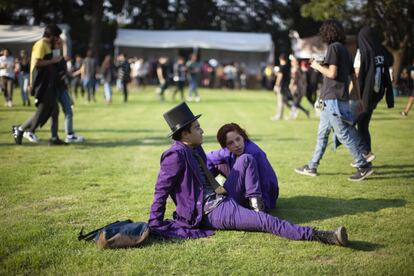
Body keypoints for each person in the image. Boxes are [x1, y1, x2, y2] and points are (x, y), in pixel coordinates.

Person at [148, 102, 348, 246]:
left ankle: (255, 205)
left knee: (246, 159)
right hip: (211, 211)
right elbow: (161, 190)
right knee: (267, 222)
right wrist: (155, 223)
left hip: (221, 196)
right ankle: (325, 236)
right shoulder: (174, 156)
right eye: (197, 128)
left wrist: (221, 183)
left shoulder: (195, 147)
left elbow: (207, 173)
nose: (202, 131)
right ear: (184, 134)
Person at [294, 19, 373, 181]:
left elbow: (332, 74)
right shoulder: (344, 50)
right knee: (322, 135)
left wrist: (316, 66)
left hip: (332, 100)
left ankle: (363, 165)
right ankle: (312, 166)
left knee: (343, 134)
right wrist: (358, 99)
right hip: (335, 99)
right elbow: (353, 77)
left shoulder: (333, 48)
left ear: (327, 33)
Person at [12, 24, 65, 145]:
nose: (58, 38)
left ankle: (54, 137)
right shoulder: (41, 44)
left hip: (49, 82)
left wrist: (58, 47)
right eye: (56, 36)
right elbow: (37, 63)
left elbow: (57, 60)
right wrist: (52, 60)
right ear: (50, 35)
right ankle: (21, 130)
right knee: (42, 110)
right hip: (41, 83)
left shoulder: (49, 45)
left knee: (54, 110)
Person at [207, 123, 279, 212]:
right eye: (230, 143)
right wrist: (215, 186)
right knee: (214, 164)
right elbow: (208, 158)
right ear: (226, 146)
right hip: (241, 187)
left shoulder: (255, 153)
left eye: (238, 139)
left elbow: (266, 181)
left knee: (246, 159)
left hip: (262, 193)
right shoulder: (227, 151)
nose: (237, 145)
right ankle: (210, 196)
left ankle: (254, 205)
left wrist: (265, 204)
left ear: (243, 137)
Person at [353, 26, 394, 160]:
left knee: (351, 125)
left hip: (366, 96)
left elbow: (360, 76)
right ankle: (365, 157)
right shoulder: (380, 53)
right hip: (377, 95)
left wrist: (356, 95)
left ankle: (365, 153)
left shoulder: (365, 53)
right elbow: (386, 75)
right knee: (363, 125)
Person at [271, 54, 292, 120]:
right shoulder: (288, 66)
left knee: (280, 101)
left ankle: (279, 116)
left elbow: (280, 76)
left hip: (281, 86)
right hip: (286, 85)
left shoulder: (282, 67)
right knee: (284, 101)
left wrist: (276, 85)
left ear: (281, 59)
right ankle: (289, 112)